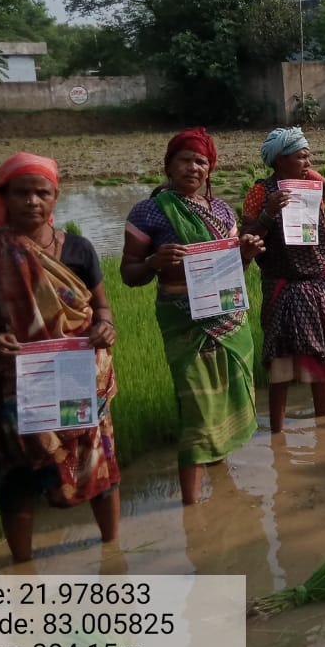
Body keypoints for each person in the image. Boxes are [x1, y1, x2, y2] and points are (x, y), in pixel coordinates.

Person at [0, 153, 119, 562]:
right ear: (3, 196)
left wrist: (104, 327)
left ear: (55, 198)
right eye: (21, 192)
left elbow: (102, 309)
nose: (31, 201)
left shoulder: (79, 249)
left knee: (96, 468)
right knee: (18, 481)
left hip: (77, 378)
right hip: (15, 385)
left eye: (41, 192)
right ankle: (22, 567)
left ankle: (114, 555)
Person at [121, 128, 264, 505]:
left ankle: (220, 473)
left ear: (210, 169)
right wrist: (153, 261)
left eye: (200, 161)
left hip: (229, 321)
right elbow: (128, 273)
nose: (192, 167)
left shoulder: (221, 211)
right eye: (184, 159)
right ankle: (190, 505)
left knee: (229, 397)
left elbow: (235, 272)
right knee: (197, 409)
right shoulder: (149, 211)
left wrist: (246, 253)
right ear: (168, 165)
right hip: (185, 323)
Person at [242, 126, 325, 434]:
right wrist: (269, 213)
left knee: (320, 362)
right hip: (282, 287)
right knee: (281, 363)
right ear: (279, 161)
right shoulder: (261, 192)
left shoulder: (310, 190)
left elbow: (322, 241)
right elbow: (249, 240)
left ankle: (324, 430)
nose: (308, 163)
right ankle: (277, 433)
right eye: (301, 157)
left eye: (309, 156)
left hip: (317, 284)